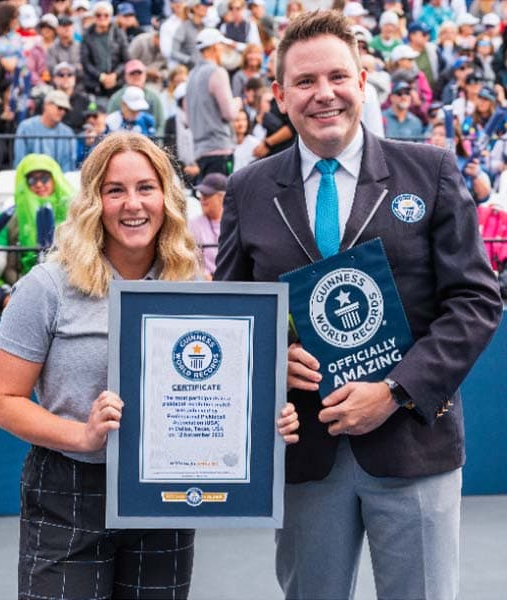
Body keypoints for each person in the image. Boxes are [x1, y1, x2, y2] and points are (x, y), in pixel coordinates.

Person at [215, 12, 502, 599]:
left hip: (413, 446)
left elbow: (475, 299)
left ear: (363, 80)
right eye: (304, 81)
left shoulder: (432, 172)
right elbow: (232, 316)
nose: (324, 94)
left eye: (338, 76)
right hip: (304, 455)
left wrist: (396, 391)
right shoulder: (247, 188)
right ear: (279, 94)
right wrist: (272, 360)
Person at [0, 132, 299, 599]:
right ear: (95, 200)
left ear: (166, 197)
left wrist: (266, 419)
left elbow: (224, 387)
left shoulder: (193, 283)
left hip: (163, 496)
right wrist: (83, 435)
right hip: (70, 490)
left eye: (146, 188)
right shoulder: (47, 285)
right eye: (115, 190)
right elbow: (2, 400)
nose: (132, 204)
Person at [185, 27, 242, 179]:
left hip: (200, 152)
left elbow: (187, 118)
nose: (223, 49)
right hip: (219, 150)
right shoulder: (217, 72)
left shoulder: (191, 76)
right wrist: (237, 102)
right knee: (221, 200)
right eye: (222, 45)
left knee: (209, 200)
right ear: (216, 47)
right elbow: (229, 113)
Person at [13, 153, 74, 275]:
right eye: (32, 180)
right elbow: (10, 266)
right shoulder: (15, 216)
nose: (39, 184)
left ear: (55, 178)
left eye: (44, 178)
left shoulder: (75, 210)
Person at [13, 89, 77, 172]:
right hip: (30, 179)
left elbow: (68, 166)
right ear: (46, 105)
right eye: (60, 107)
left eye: (65, 109)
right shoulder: (26, 127)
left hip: (59, 180)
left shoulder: (68, 133)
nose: (62, 112)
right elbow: (20, 161)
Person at [188, 171, 225, 279]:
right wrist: (204, 275)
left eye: (207, 195)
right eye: (201, 194)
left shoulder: (233, 225)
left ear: (221, 197)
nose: (202, 199)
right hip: (203, 283)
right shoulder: (193, 225)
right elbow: (191, 259)